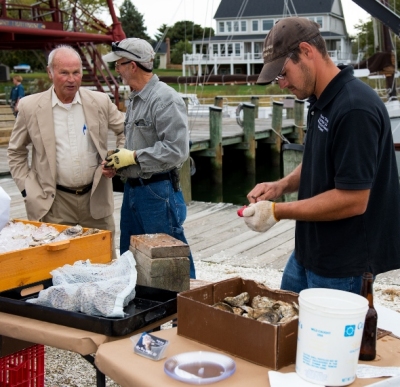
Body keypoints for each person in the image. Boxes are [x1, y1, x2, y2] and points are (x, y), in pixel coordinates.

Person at [242, 17, 400, 295]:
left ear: (306, 51)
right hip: (307, 252)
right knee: (287, 329)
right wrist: (281, 186)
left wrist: (277, 211)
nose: (281, 84)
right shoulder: (320, 98)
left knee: (328, 339)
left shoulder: (354, 109)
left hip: (343, 265)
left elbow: (353, 200)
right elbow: (318, 159)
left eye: (283, 73)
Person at [7, 45, 125, 259]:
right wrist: (27, 190)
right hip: (53, 202)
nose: (71, 79)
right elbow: (16, 152)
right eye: (64, 73)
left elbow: (125, 129)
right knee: (55, 268)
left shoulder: (99, 101)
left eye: (76, 72)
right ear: (50, 72)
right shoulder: (29, 107)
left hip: (95, 198)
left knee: (104, 264)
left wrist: (117, 159)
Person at [102, 37, 196, 279]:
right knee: (131, 258)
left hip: (158, 191)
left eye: (119, 64)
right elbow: (136, 147)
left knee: (171, 256)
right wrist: (118, 163)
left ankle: (185, 312)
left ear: (132, 66)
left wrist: (132, 156)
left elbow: (176, 150)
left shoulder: (165, 98)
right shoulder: (135, 98)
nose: (117, 70)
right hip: (133, 190)